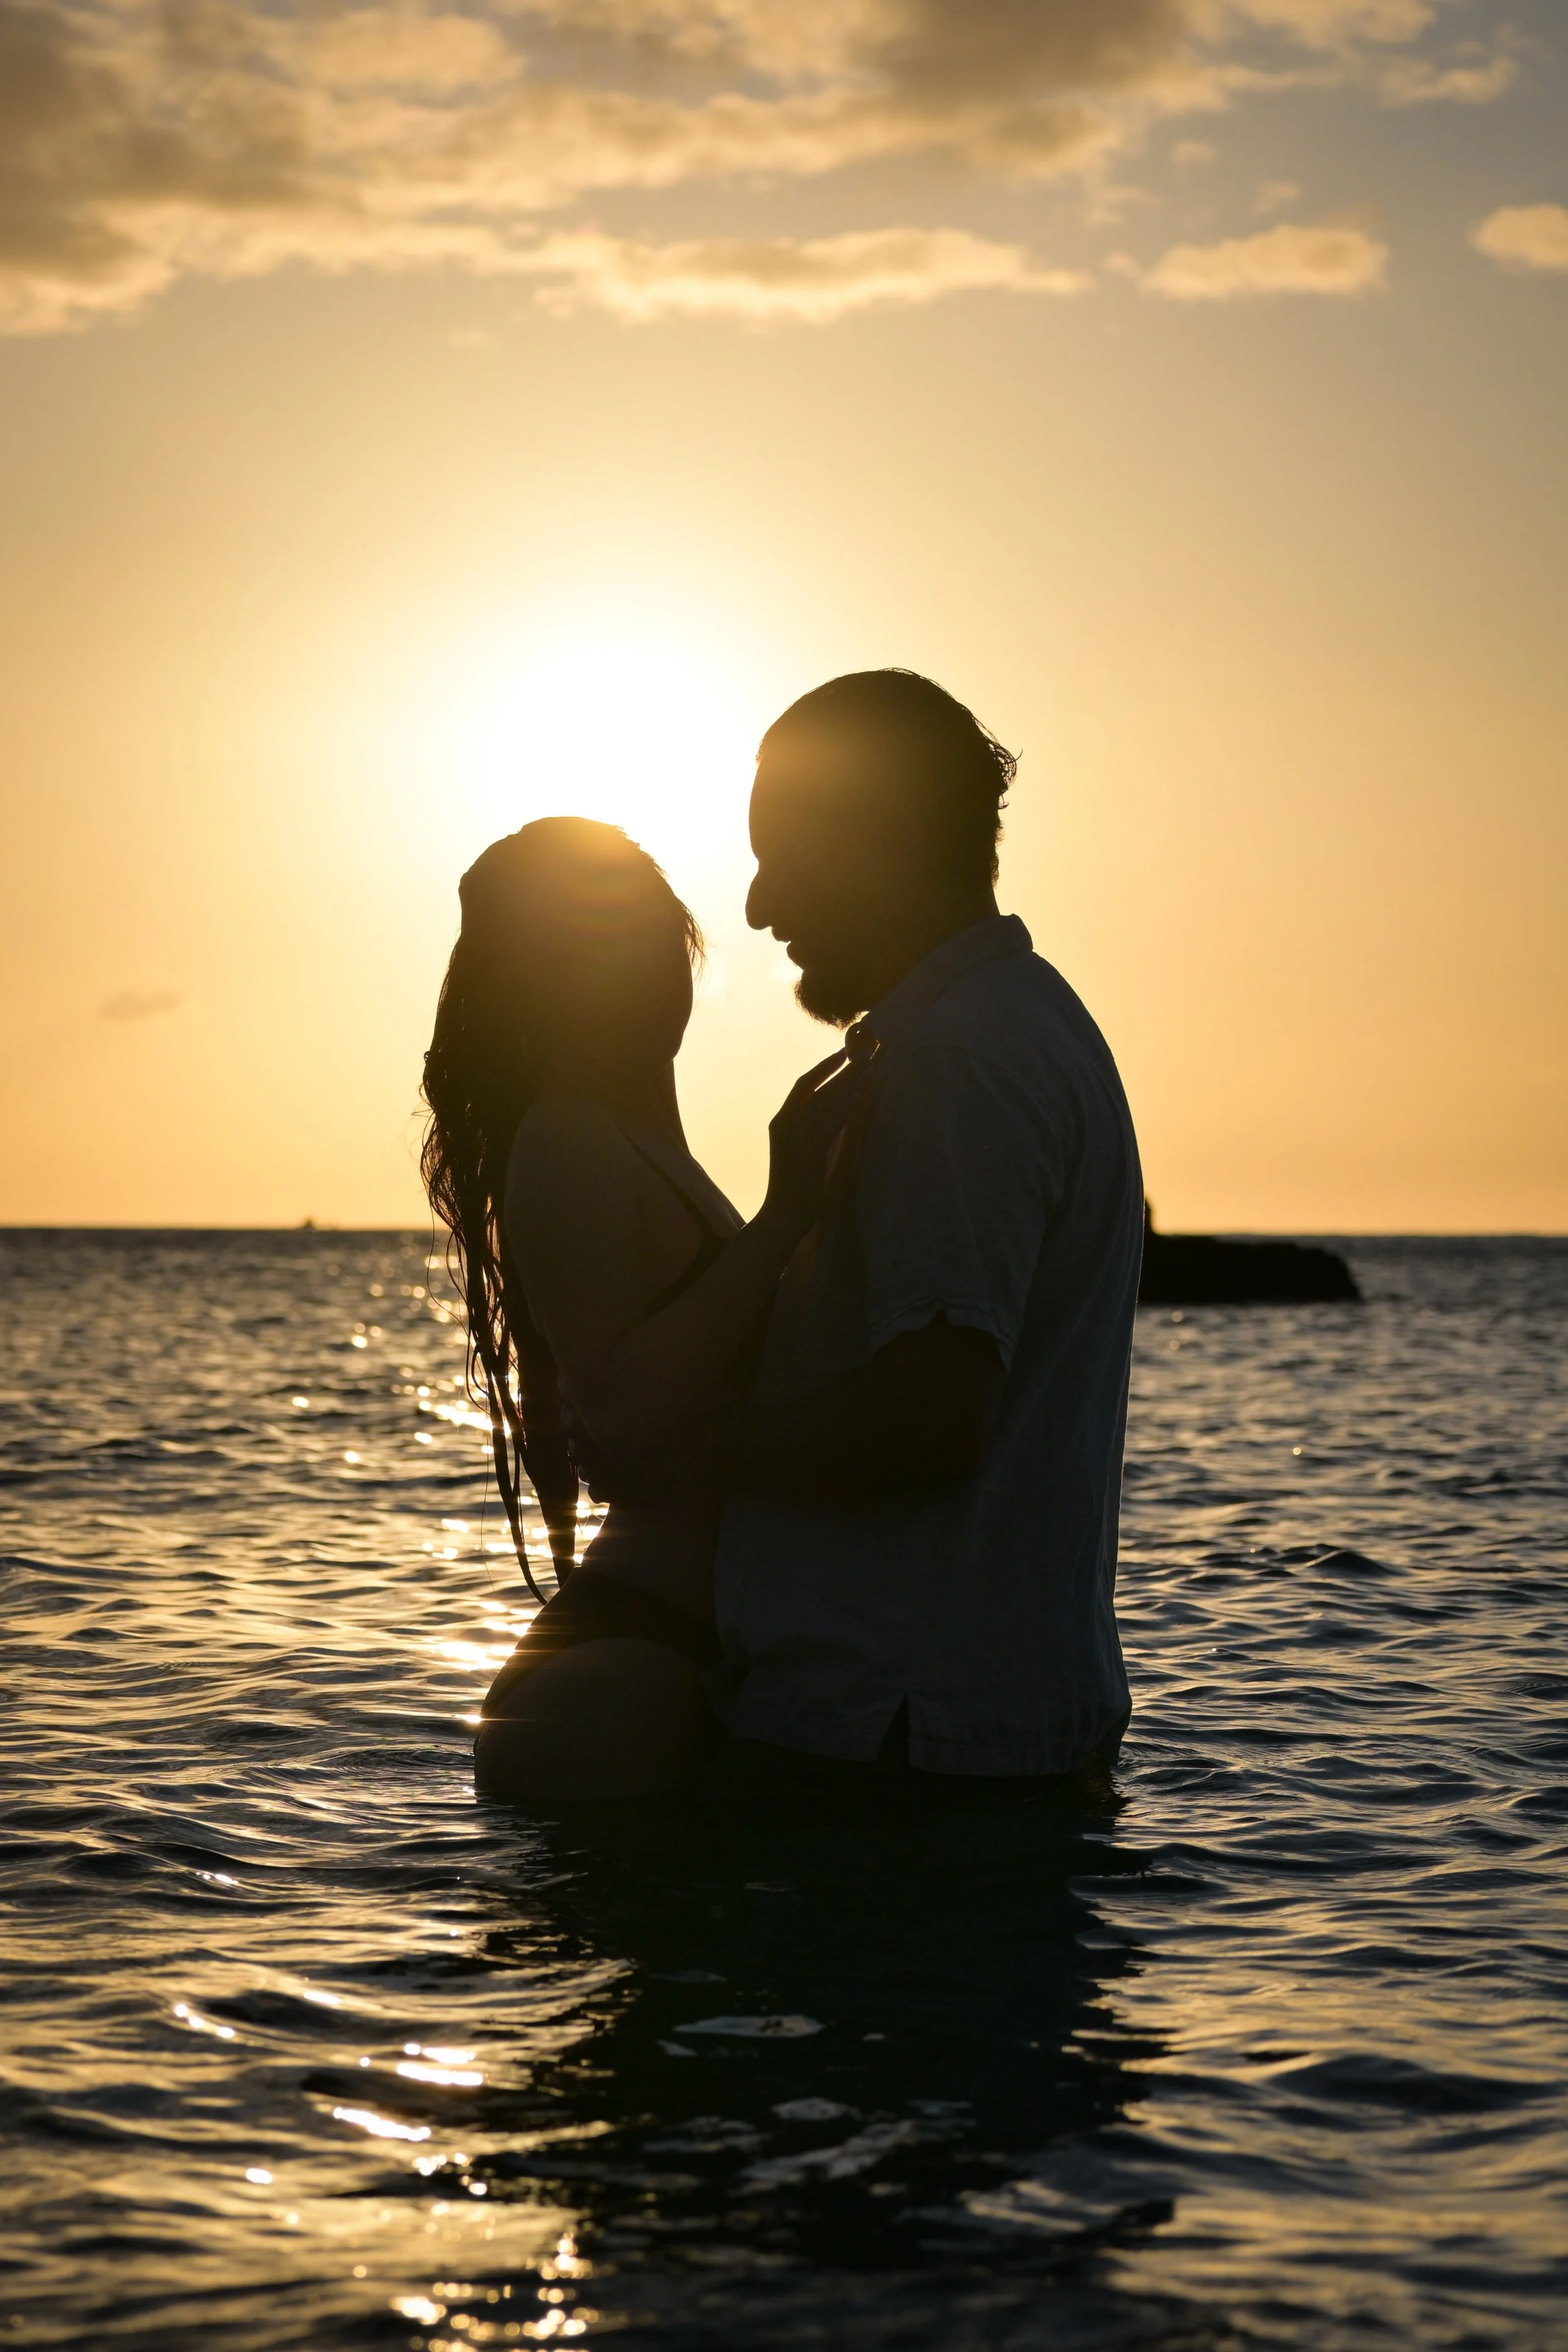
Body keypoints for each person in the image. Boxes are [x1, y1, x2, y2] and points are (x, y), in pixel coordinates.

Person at [707, 669, 1143, 1782]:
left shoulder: (960, 1067)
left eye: (782, 855)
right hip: (955, 1733)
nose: (758, 907)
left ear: (882, 840)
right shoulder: (1020, 1029)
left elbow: (930, 1416)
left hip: (902, 1741)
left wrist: (680, 1450)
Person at [421, 815, 864, 1804]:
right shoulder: (569, 1139)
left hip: (666, 1649)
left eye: (656, 933)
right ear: (547, 981)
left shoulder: (636, 1138)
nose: (651, 970)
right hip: (621, 1674)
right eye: (599, 949)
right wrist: (786, 1212)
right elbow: (618, 1411)